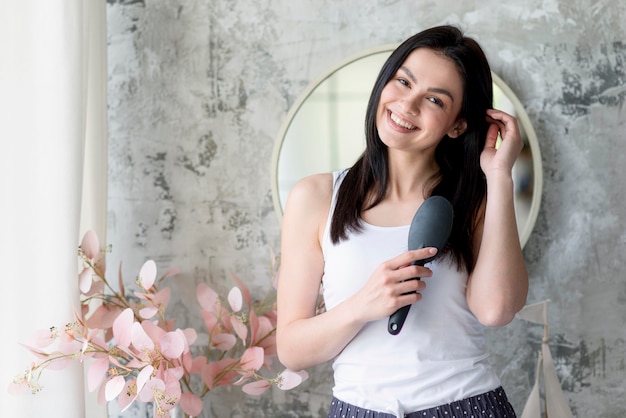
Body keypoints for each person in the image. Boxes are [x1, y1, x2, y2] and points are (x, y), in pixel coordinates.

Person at [276, 25, 528, 418]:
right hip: (358, 409)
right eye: (402, 81)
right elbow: (291, 350)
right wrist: (363, 304)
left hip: (468, 406)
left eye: (434, 100)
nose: (407, 105)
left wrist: (498, 177)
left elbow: (496, 311)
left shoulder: (476, 199)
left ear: (458, 124)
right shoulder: (315, 198)